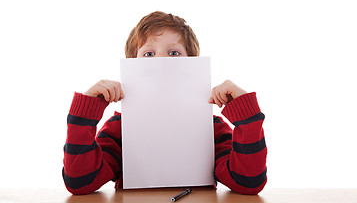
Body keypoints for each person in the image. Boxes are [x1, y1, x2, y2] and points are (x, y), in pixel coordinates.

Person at [63, 11, 267, 195]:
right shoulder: (119, 128)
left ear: (191, 63)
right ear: (132, 65)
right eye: (148, 54)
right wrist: (86, 112)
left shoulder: (212, 127)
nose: (161, 62)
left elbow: (248, 183)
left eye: (174, 53)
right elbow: (80, 182)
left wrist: (246, 116)